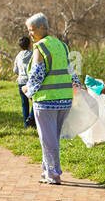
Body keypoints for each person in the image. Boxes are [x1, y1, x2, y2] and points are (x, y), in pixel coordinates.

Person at [22, 12, 80, 185]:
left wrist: (27, 90)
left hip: (46, 100)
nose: (30, 34)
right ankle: (46, 169)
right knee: (52, 137)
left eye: (32, 30)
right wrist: (77, 85)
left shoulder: (40, 47)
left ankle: (53, 174)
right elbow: (70, 70)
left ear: (42, 28)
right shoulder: (62, 45)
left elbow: (37, 75)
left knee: (48, 140)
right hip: (64, 99)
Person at [13, 36, 36, 129]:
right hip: (30, 82)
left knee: (24, 103)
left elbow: (15, 70)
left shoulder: (18, 56)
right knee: (36, 101)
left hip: (21, 82)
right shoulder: (33, 54)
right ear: (30, 44)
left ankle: (26, 125)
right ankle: (31, 118)